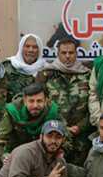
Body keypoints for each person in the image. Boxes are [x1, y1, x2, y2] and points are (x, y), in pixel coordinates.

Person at [37, 36, 92, 166]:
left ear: (77, 53)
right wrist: (62, 126)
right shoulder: (46, 75)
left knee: (79, 173)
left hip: (81, 137)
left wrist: (80, 127)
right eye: (63, 53)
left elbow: (93, 105)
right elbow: (39, 105)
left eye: (71, 53)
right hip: (54, 136)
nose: (67, 56)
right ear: (57, 53)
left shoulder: (87, 74)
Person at [0, 83, 60, 161]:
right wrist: (4, 155)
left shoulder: (52, 111)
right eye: (31, 101)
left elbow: (65, 134)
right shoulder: (13, 111)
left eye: (39, 101)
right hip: (16, 152)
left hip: (43, 153)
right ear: (25, 101)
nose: (35, 105)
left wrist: (60, 152)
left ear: (46, 101)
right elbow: (1, 138)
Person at [3, 34, 46, 102]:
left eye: (35, 47)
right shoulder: (7, 67)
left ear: (39, 50)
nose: (30, 50)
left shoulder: (45, 69)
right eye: (27, 46)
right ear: (21, 48)